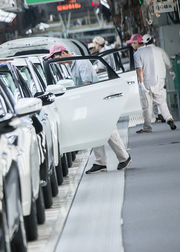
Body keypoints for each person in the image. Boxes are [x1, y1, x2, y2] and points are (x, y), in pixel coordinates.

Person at [45, 44, 132, 174]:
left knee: (108, 129)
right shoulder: (71, 65)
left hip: (94, 100)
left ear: (63, 53)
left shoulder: (81, 63)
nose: (56, 61)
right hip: (89, 101)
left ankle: (124, 157)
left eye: (54, 57)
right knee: (96, 131)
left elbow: (87, 84)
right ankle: (101, 162)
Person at [129, 34, 176, 133]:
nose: (131, 46)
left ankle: (147, 127)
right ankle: (169, 118)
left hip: (145, 83)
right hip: (155, 81)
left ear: (136, 43)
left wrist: (141, 83)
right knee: (161, 101)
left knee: (146, 106)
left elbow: (140, 70)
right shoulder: (152, 50)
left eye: (132, 43)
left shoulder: (137, 54)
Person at [143, 34, 175, 123]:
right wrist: (171, 71)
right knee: (161, 94)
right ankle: (162, 113)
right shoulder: (160, 50)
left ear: (144, 43)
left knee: (152, 96)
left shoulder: (144, 53)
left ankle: (157, 114)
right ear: (153, 40)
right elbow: (168, 63)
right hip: (161, 77)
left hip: (149, 79)